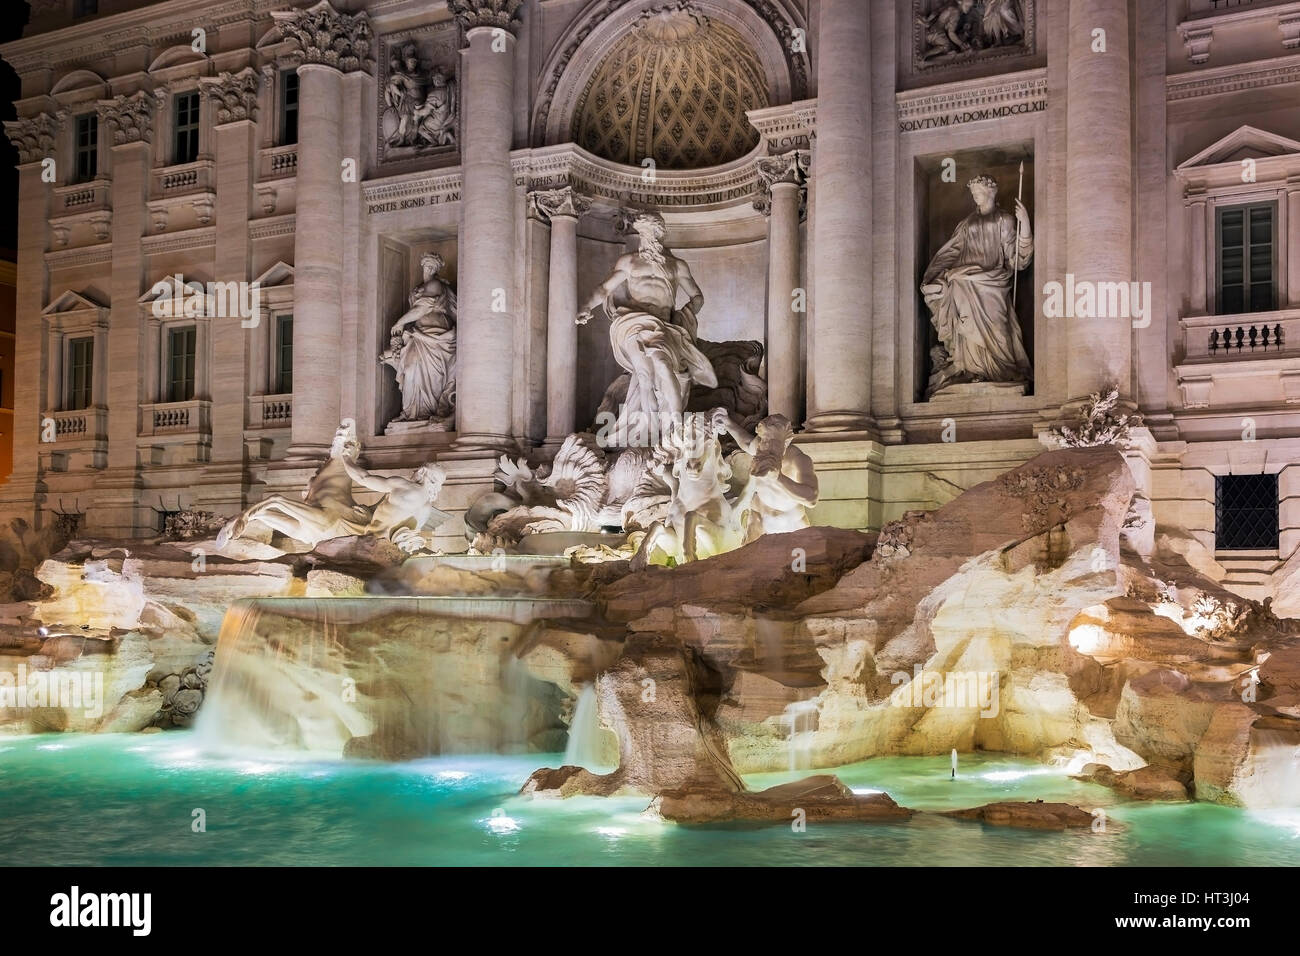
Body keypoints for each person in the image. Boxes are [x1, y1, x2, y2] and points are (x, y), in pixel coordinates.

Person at [577, 212, 716, 439]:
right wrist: (586, 307)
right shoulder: (629, 262)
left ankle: (675, 423)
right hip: (633, 322)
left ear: (660, 234)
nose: (645, 238)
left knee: (662, 364)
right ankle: (650, 435)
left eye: (649, 233)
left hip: (662, 326)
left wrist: (686, 315)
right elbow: (604, 289)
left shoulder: (677, 266)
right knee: (643, 375)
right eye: (642, 233)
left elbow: (697, 296)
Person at [920, 173, 1033, 396]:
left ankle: (1001, 370)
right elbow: (952, 251)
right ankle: (970, 369)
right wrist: (935, 275)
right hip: (963, 280)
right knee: (960, 302)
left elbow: (1018, 258)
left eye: (979, 193)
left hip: (993, 282)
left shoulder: (1005, 220)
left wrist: (1026, 225)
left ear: (991, 193)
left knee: (998, 328)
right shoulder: (967, 223)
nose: (976, 198)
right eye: (973, 194)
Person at [381, 252, 457, 426]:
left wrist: (399, 323)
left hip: (436, 339)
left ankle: (427, 413)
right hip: (419, 336)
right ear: (423, 265)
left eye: (433, 266)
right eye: (427, 264)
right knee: (410, 367)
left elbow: (423, 308)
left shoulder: (436, 284)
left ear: (437, 269)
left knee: (429, 374)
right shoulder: (419, 287)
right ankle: (411, 412)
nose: (429, 268)